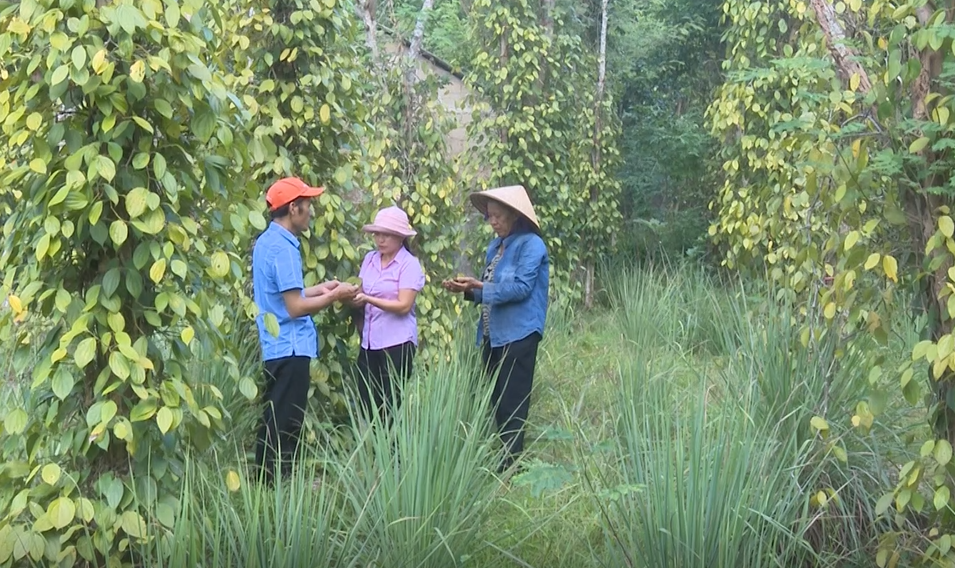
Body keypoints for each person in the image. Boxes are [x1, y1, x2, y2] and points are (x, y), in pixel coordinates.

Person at [251, 177, 359, 484]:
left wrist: (321, 288)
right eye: (308, 205)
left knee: (273, 418)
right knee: (286, 424)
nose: (311, 211)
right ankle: (279, 488)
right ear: (293, 208)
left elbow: (284, 297)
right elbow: (295, 308)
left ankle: (266, 485)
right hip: (291, 347)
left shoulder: (266, 242)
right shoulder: (285, 249)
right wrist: (335, 296)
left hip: (275, 346)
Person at [441, 185, 549, 473]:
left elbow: (521, 288)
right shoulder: (495, 247)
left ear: (515, 215)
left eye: (498, 216)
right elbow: (490, 290)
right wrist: (467, 290)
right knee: (497, 398)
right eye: (489, 216)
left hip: (519, 333)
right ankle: (504, 459)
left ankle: (512, 467)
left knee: (513, 399)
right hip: (492, 334)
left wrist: (481, 286)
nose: (493, 222)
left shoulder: (532, 245)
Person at [350, 206, 425, 424]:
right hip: (370, 342)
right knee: (367, 399)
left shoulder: (408, 264)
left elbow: (403, 305)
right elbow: (360, 290)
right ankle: (373, 453)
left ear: (400, 237)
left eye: (387, 234)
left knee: (390, 404)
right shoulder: (370, 259)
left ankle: (393, 455)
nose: (380, 239)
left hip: (397, 343)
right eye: (377, 234)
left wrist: (368, 299)